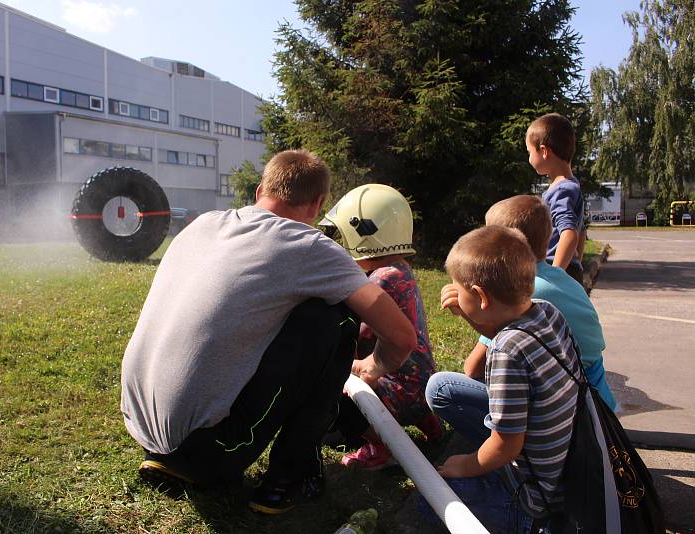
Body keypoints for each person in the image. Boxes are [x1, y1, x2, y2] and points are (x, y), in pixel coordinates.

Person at [120, 149, 417, 515]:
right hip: (207, 454)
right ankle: (289, 477)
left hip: (143, 431)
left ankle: (180, 454)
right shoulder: (309, 247)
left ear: (260, 189)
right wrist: (373, 365)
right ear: (318, 203)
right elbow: (402, 337)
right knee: (333, 319)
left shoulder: (203, 223)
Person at [419, 225, 579, 533]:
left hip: (535, 499)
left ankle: (528, 525)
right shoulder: (546, 311)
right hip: (564, 465)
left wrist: (464, 464)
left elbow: (506, 447)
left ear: (480, 296)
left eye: (459, 287)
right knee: (443, 388)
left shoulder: (508, 353)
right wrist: (467, 312)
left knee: (429, 500)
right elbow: (503, 328)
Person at [426, 196, 616, 446]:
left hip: (566, 421)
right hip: (601, 408)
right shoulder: (562, 278)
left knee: (441, 388)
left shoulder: (520, 293)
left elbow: (473, 369)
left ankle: (501, 453)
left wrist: (466, 310)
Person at [318, 184, 442, 470]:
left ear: (362, 233)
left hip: (393, 392)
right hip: (422, 391)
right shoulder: (400, 270)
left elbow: (359, 333)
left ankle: (380, 446)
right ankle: (430, 424)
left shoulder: (378, 281)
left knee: (333, 393)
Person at [526, 112, 585, 285]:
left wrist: (556, 274)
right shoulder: (572, 185)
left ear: (544, 151)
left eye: (529, 152)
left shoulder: (561, 190)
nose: (529, 159)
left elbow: (570, 234)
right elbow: (581, 233)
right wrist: (577, 264)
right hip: (570, 268)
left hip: (556, 266)